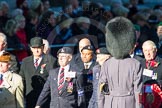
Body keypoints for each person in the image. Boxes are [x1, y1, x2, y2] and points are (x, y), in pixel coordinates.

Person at [98, 17, 143, 108]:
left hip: (109, 103)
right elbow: (138, 91)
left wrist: (101, 105)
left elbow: (101, 90)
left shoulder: (106, 64)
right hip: (129, 103)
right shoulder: (135, 64)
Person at [19, 37, 57, 108]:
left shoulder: (51, 61)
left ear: (43, 47)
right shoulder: (25, 61)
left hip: (46, 100)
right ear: (31, 48)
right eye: (34, 48)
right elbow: (22, 79)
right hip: (30, 98)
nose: (36, 50)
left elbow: (54, 81)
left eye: (38, 48)